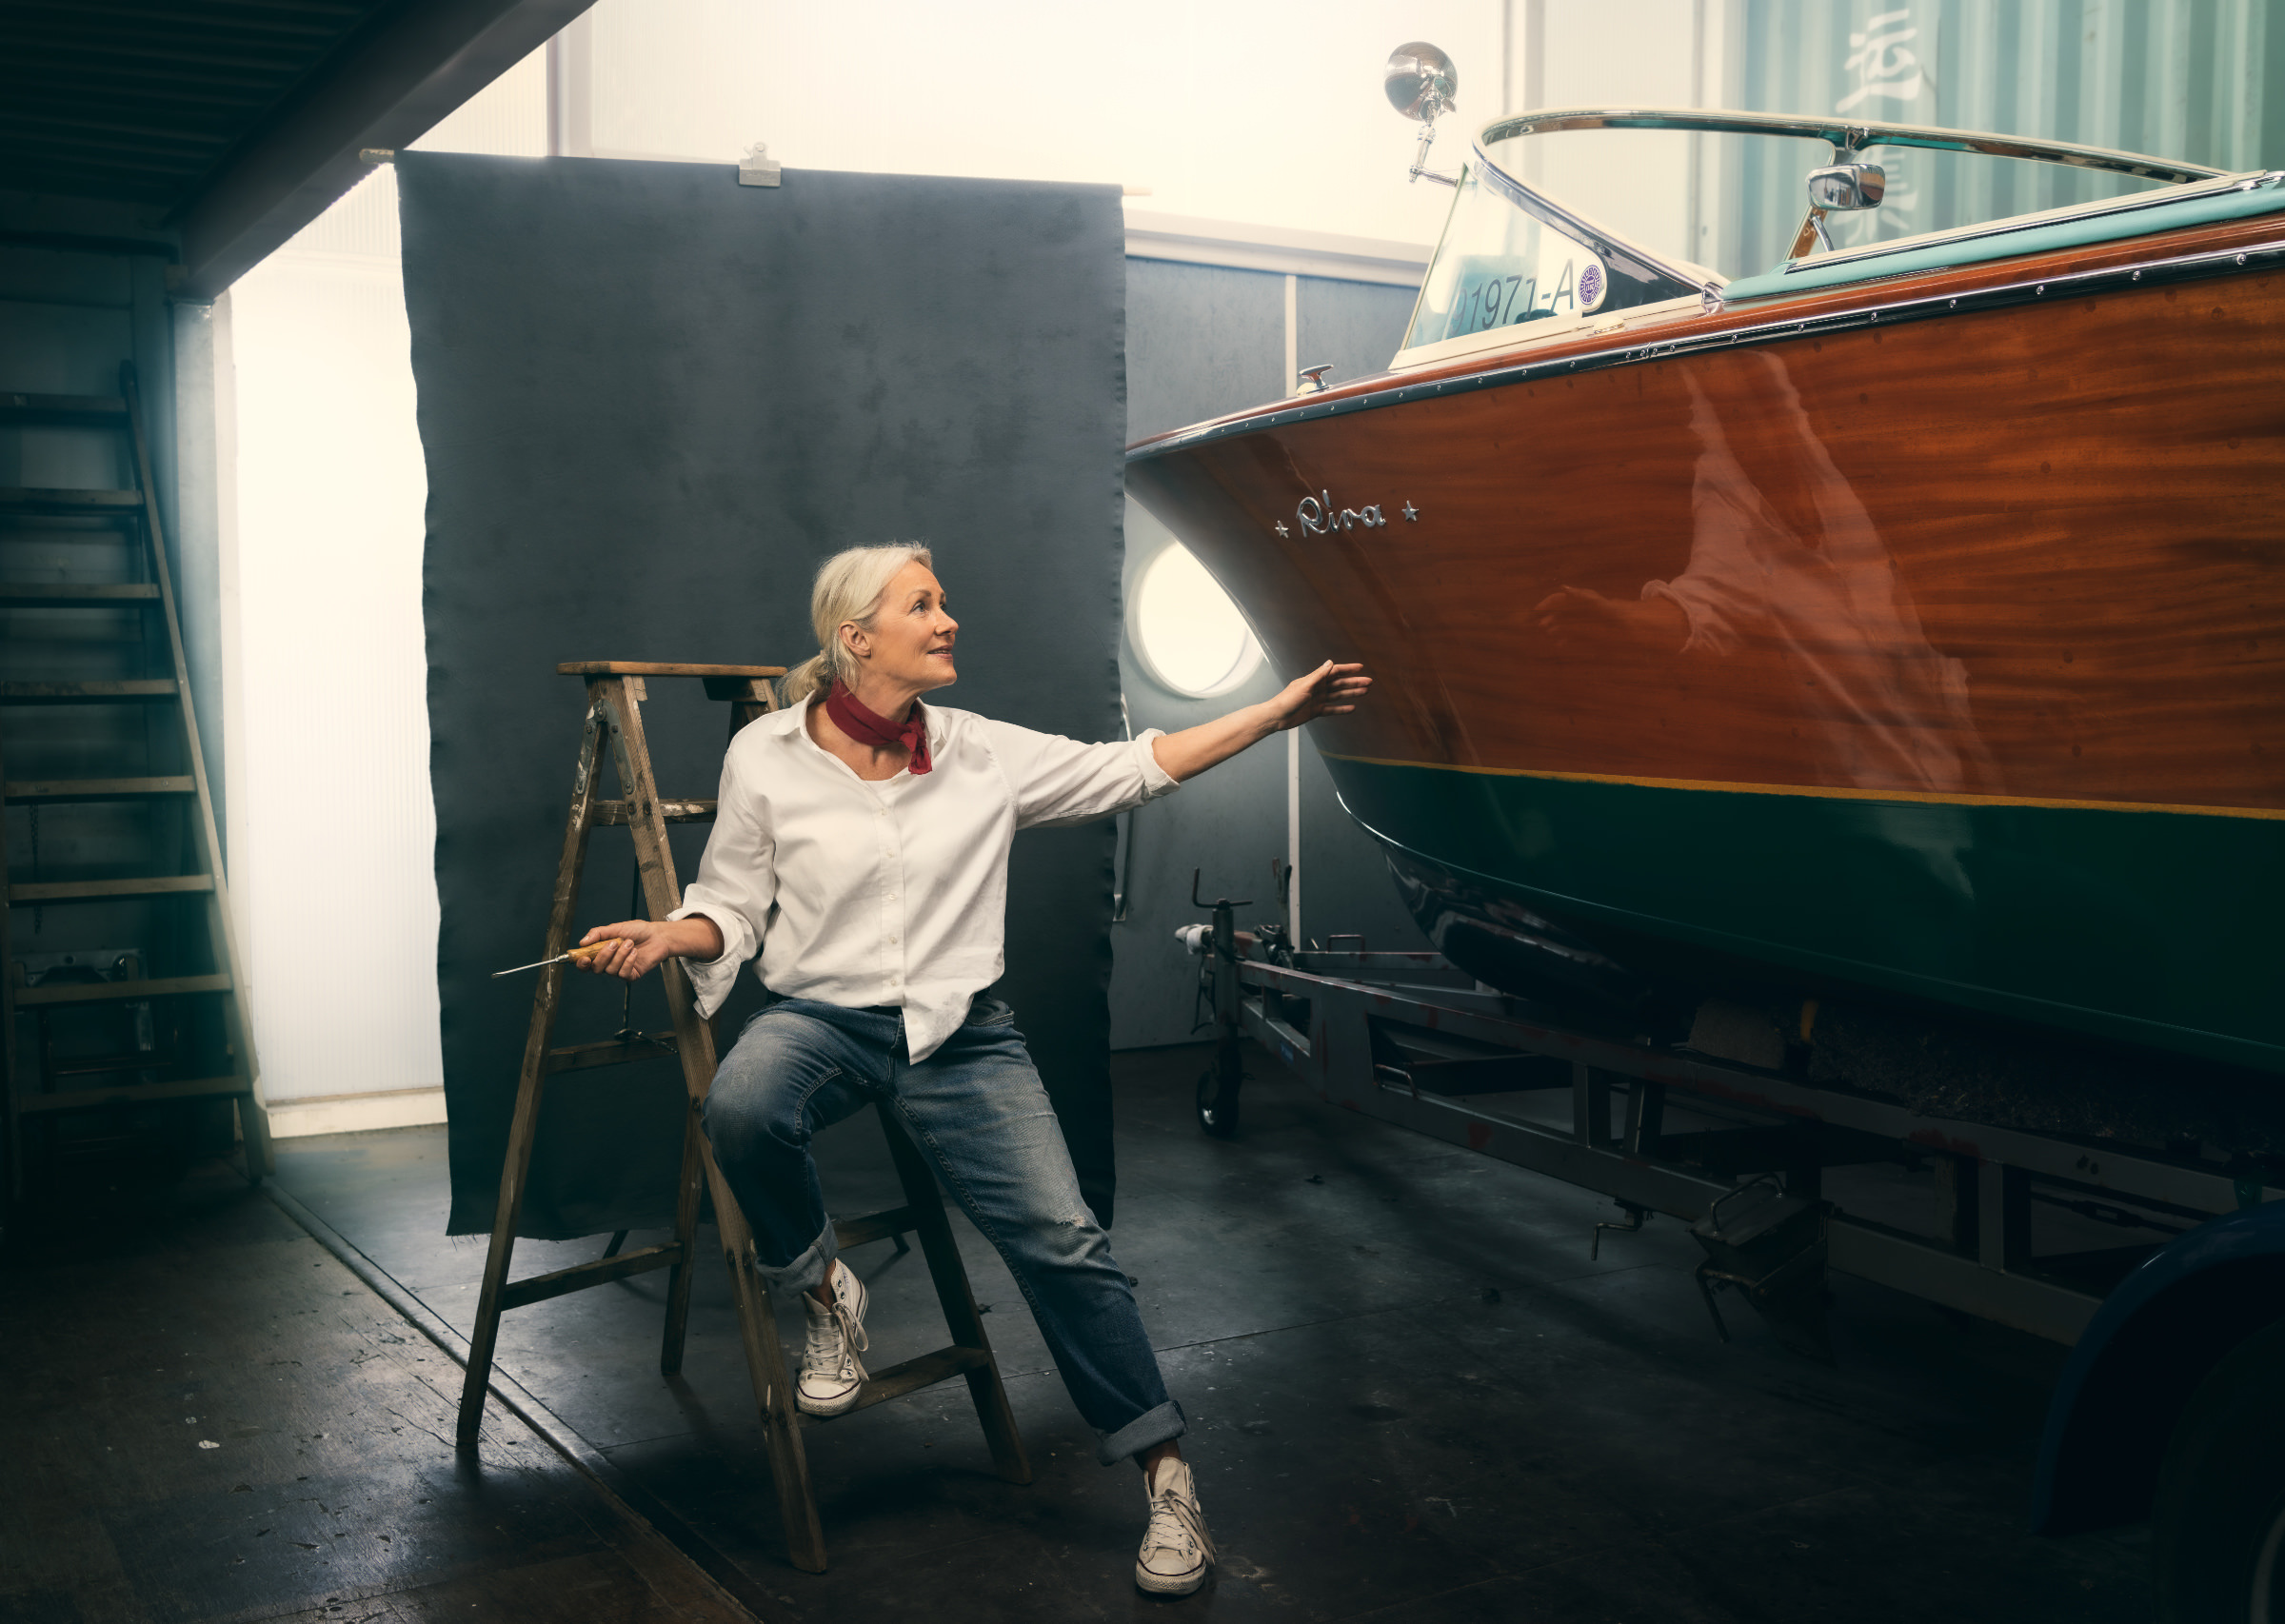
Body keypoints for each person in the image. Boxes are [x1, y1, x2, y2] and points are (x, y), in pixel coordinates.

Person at [573, 542, 1368, 1595]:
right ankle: (823, 1291)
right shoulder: (764, 755)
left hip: (961, 1034)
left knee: (1066, 1241)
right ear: (857, 637)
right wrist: (678, 934)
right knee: (743, 1101)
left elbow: (1135, 765)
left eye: (942, 602)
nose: (948, 619)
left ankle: (1167, 1473)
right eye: (922, 604)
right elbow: (734, 901)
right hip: (820, 1016)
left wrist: (1276, 713)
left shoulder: (982, 751)